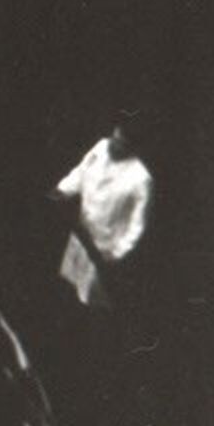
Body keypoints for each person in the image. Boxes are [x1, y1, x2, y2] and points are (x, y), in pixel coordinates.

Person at [55, 121, 153, 307]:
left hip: (103, 249)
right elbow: (81, 172)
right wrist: (63, 189)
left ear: (131, 148)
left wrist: (117, 253)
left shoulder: (141, 179)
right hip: (81, 232)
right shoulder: (101, 147)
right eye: (113, 139)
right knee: (68, 282)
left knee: (90, 299)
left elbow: (137, 226)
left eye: (120, 144)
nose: (113, 145)